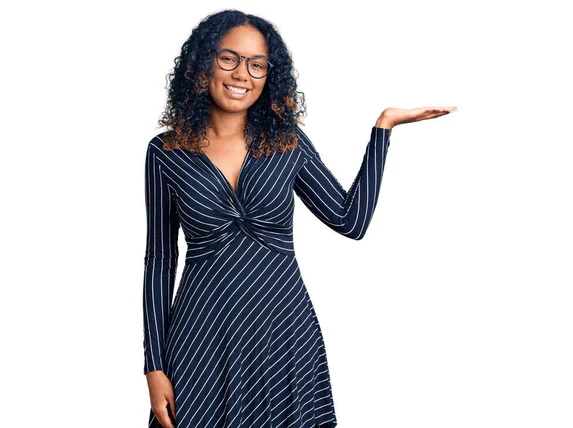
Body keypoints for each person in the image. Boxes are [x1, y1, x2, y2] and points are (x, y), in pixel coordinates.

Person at [142, 9, 457, 428]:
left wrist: (384, 129)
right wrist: (154, 365)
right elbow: (160, 261)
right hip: (202, 339)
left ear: (269, 75)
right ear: (203, 64)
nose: (242, 74)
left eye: (257, 64)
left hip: (284, 333)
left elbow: (351, 220)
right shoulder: (166, 152)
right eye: (228, 58)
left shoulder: (287, 143)